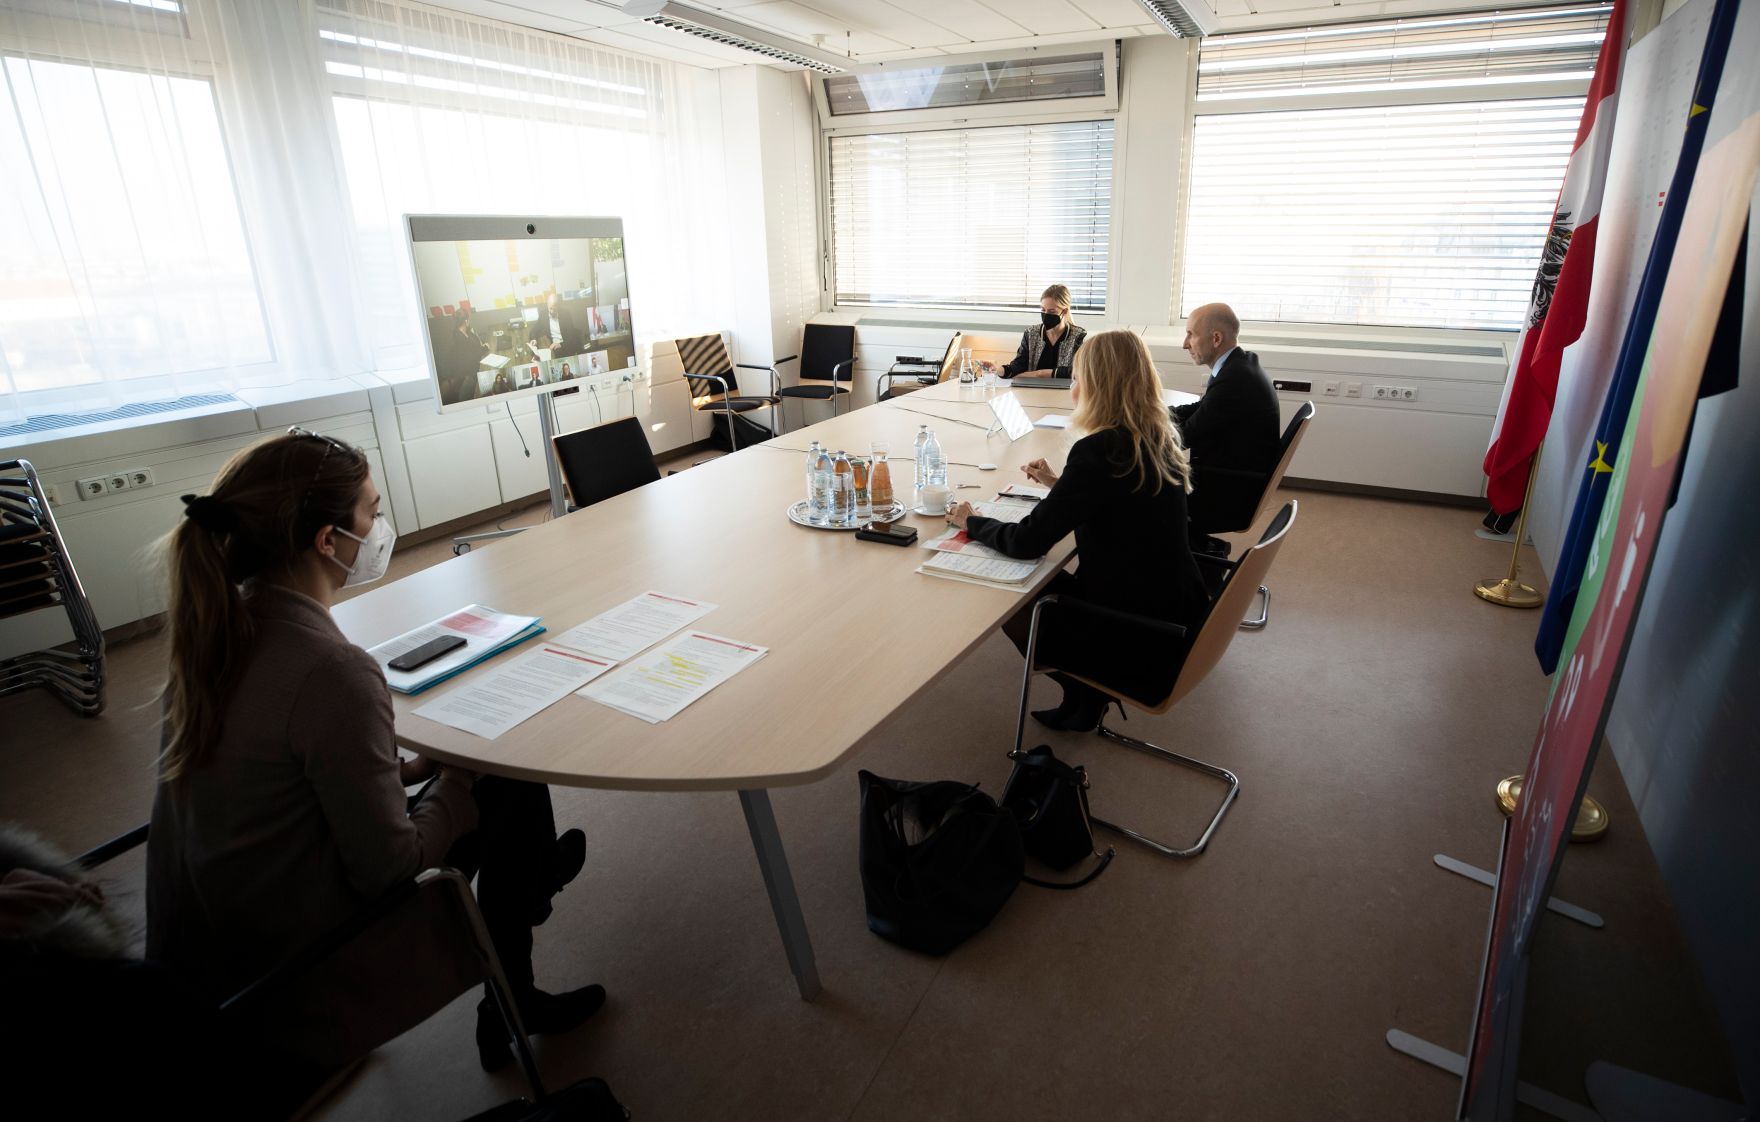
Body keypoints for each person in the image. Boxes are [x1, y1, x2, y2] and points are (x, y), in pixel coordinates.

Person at [146, 429, 605, 1082]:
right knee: (500, 779)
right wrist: (456, 780)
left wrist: (409, 773)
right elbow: (390, 866)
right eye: (372, 510)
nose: (382, 526)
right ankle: (523, 938)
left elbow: (282, 783)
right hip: (294, 981)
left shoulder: (217, 634)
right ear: (328, 541)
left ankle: (530, 889)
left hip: (210, 962)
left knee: (501, 788)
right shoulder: (331, 670)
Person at [949, 330, 1208, 730]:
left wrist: (972, 522)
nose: (1072, 388)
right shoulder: (1155, 434)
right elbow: (1124, 500)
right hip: (1174, 604)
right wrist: (1061, 486)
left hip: (1135, 627)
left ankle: (1087, 686)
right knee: (1042, 577)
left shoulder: (1099, 450)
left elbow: (1027, 541)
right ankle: (1084, 695)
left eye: (1076, 379)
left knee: (1015, 595)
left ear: (1096, 386)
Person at [1173, 303, 1282, 539]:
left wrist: (1130, 433)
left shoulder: (1235, 380)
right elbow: (1201, 408)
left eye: (1191, 334)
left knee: (1132, 492)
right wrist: (1151, 412)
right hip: (1233, 477)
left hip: (1226, 491)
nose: (1184, 343)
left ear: (1216, 338)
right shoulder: (1240, 366)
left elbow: (1184, 437)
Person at [999, 284, 1087, 378]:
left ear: (1064, 312)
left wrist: (1039, 373)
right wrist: (999, 370)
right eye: (1043, 310)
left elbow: (1078, 371)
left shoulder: (1077, 336)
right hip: (1032, 390)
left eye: (1052, 312)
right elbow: (1019, 365)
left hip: (1064, 391)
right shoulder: (1030, 333)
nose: (1046, 315)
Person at [444, 310, 488, 405]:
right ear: (466, 321)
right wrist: (484, 348)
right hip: (469, 372)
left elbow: (477, 345)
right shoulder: (458, 337)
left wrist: (479, 342)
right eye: (469, 320)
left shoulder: (465, 331)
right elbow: (472, 357)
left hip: (475, 363)